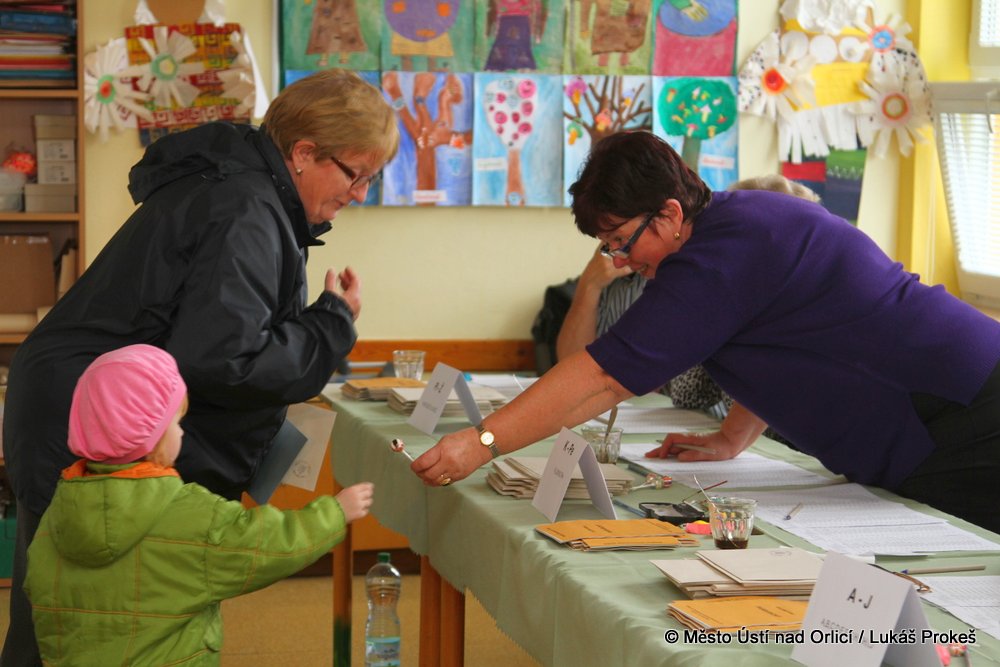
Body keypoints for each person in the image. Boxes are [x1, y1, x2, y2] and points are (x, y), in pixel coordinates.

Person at [1, 68, 399, 665]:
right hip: (87, 415)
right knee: (69, 613)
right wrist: (332, 323)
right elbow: (225, 361)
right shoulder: (247, 210)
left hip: (80, 399)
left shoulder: (247, 192)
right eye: (356, 174)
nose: (360, 193)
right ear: (303, 153)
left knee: (82, 608)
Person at [412, 131, 1000, 534]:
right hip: (939, 407)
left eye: (621, 240)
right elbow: (783, 340)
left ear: (670, 214)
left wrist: (481, 443)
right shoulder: (732, 229)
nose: (620, 260)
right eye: (608, 247)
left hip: (962, 407)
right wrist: (732, 437)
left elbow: (602, 378)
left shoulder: (719, 256)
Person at [23, 344, 374, 665]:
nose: (182, 432)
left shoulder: (58, 513)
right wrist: (334, 513)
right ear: (151, 436)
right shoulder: (190, 513)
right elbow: (264, 543)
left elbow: (38, 588)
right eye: (175, 423)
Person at [556, 174, 821, 426]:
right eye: (612, 243)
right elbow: (574, 365)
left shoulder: (718, 292)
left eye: (620, 239)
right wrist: (589, 286)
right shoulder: (636, 276)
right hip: (692, 428)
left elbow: (681, 390)